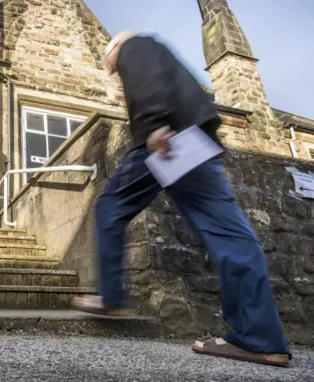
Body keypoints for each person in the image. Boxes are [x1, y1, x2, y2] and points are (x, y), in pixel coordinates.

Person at [72, 31, 292, 367]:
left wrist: (156, 122)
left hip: (167, 143)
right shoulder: (157, 52)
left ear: (114, 47)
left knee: (110, 207)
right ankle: (259, 336)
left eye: (109, 62)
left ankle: (112, 295)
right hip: (196, 143)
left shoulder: (134, 46)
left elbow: (148, 78)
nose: (113, 70)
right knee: (228, 235)